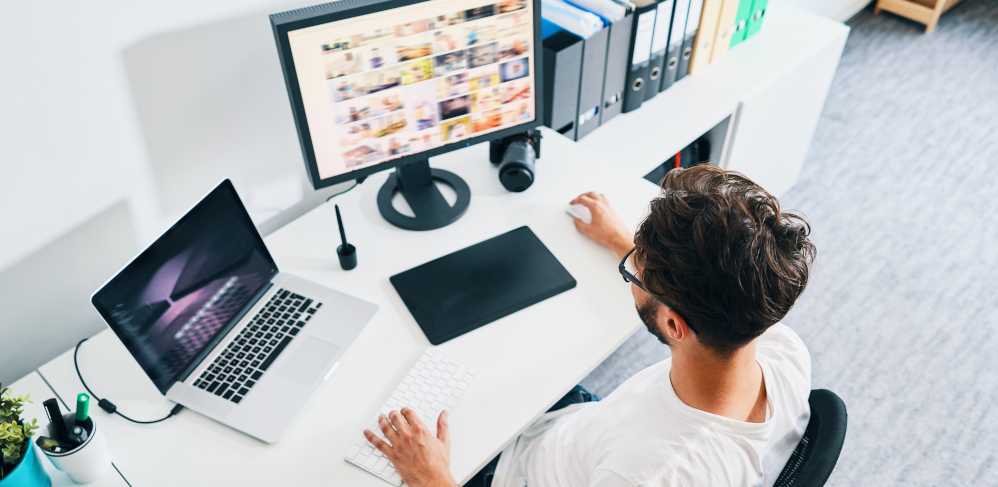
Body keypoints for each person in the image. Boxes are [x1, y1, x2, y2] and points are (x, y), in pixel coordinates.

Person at [362, 164, 817, 487]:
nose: (631, 270)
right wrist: (628, 243)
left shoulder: (649, 474)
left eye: (634, 272)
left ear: (675, 325)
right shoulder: (777, 342)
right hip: (583, 434)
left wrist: (431, 477)